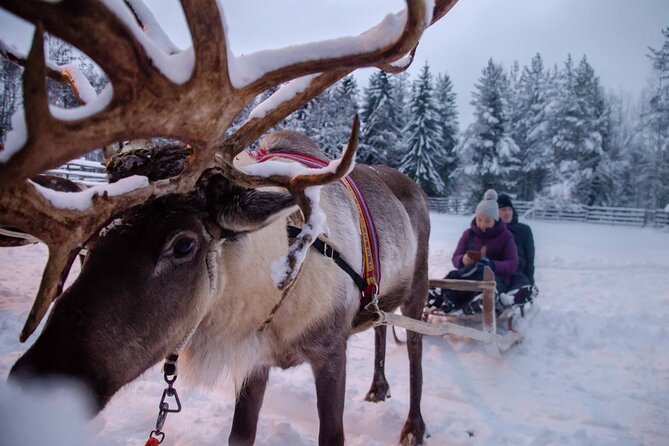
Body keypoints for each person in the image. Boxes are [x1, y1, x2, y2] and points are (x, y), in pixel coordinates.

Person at [428, 189, 519, 314]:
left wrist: (492, 265)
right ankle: (442, 298)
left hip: (495, 278)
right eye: (479, 220)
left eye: (487, 221)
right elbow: (456, 257)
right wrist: (463, 259)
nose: (482, 224)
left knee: (488, 286)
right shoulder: (468, 234)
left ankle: (479, 302)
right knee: (458, 278)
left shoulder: (506, 236)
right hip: (469, 273)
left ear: (495, 220)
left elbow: (513, 264)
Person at [497, 193, 536, 306]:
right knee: (495, 285)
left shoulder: (523, 230)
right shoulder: (492, 230)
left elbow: (530, 258)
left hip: (517, 272)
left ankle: (515, 296)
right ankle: (491, 301)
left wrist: (531, 280)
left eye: (510, 209)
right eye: (503, 209)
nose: (507, 212)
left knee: (520, 285)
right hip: (499, 272)